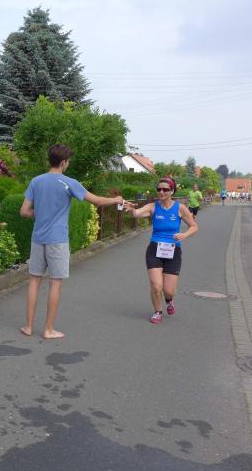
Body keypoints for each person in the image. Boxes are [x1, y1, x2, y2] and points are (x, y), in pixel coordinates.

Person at [19, 144, 127, 339]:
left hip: (38, 238)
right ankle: (48, 330)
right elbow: (97, 201)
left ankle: (28, 327)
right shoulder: (69, 183)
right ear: (63, 162)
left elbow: (24, 211)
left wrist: (40, 213)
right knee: (55, 283)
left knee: (34, 280)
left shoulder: (36, 181)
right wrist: (117, 200)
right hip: (58, 240)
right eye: (68, 161)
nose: (68, 164)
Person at [128, 177, 198, 324]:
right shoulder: (152, 207)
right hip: (154, 249)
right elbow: (137, 213)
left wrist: (184, 235)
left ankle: (169, 300)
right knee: (156, 285)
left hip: (173, 250)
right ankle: (157, 311)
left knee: (168, 290)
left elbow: (194, 226)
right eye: (159, 189)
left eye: (165, 189)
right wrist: (131, 210)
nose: (161, 192)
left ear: (172, 191)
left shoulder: (180, 208)